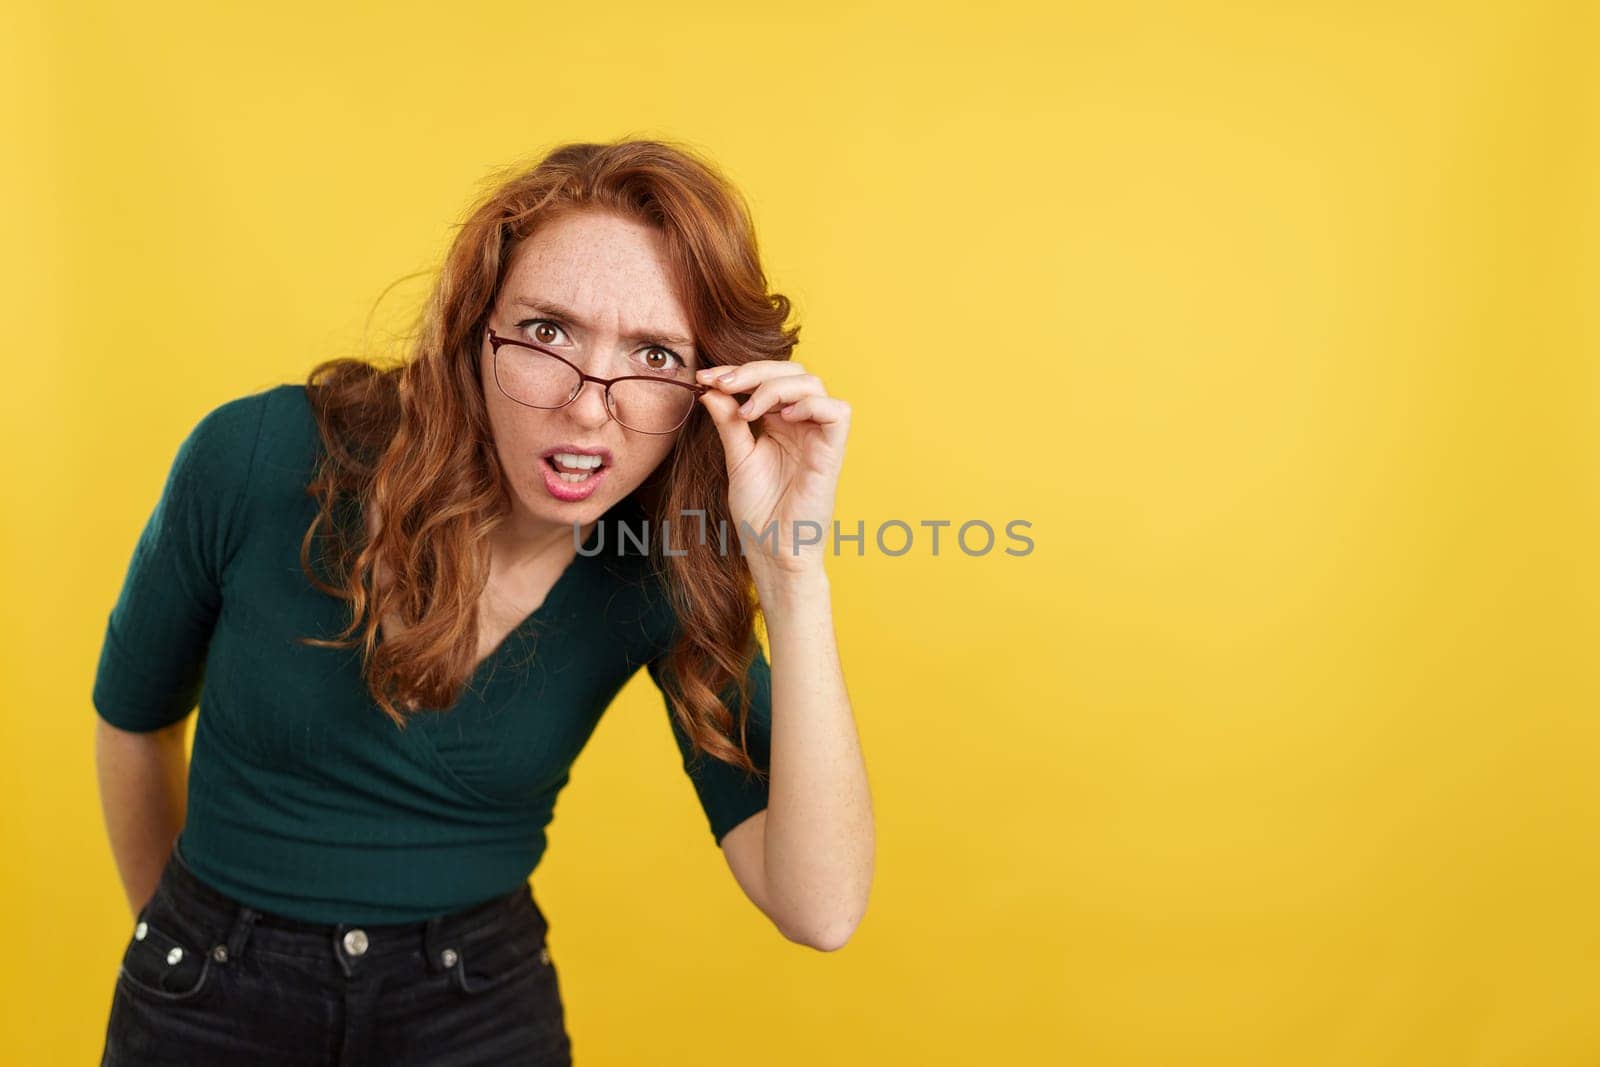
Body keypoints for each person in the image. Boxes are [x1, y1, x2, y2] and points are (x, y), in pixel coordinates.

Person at [92, 137, 875, 1066]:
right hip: (206, 991)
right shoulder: (253, 456)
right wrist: (194, 957)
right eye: (548, 333)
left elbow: (821, 907)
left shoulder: (656, 567)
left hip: (472, 1005)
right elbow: (134, 721)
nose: (591, 408)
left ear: (710, 390)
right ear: (475, 330)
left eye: (655, 353)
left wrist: (792, 573)